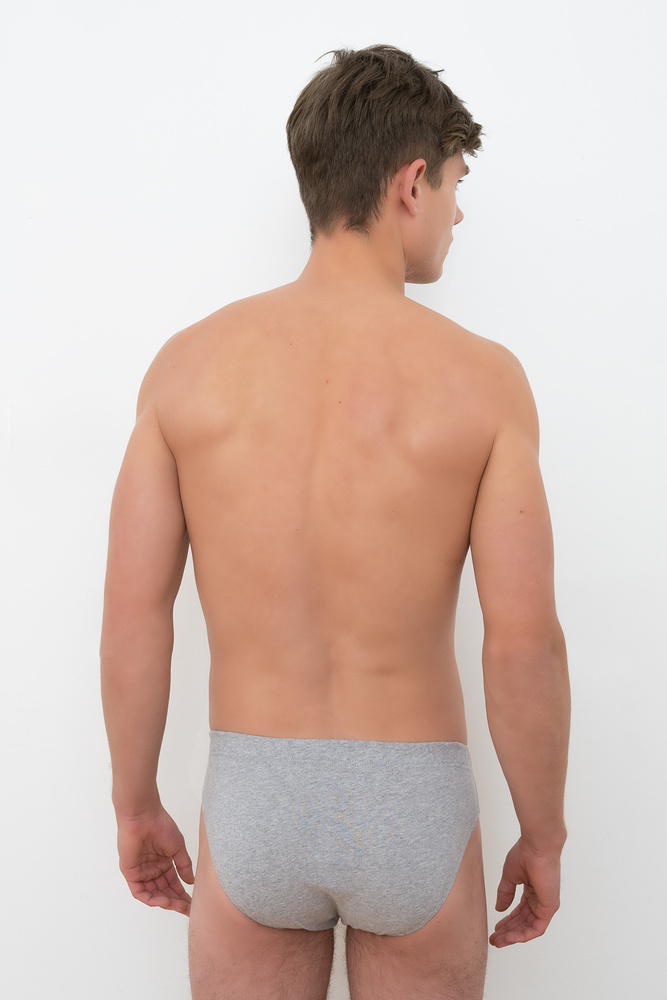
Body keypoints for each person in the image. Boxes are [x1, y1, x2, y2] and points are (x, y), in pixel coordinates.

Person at [100, 44, 570, 1000]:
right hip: (414, 801)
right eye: (454, 185)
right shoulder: (483, 382)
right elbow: (523, 642)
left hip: (254, 797)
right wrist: (543, 830)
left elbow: (134, 614)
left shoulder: (187, 368)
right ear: (410, 183)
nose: (457, 213)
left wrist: (135, 801)